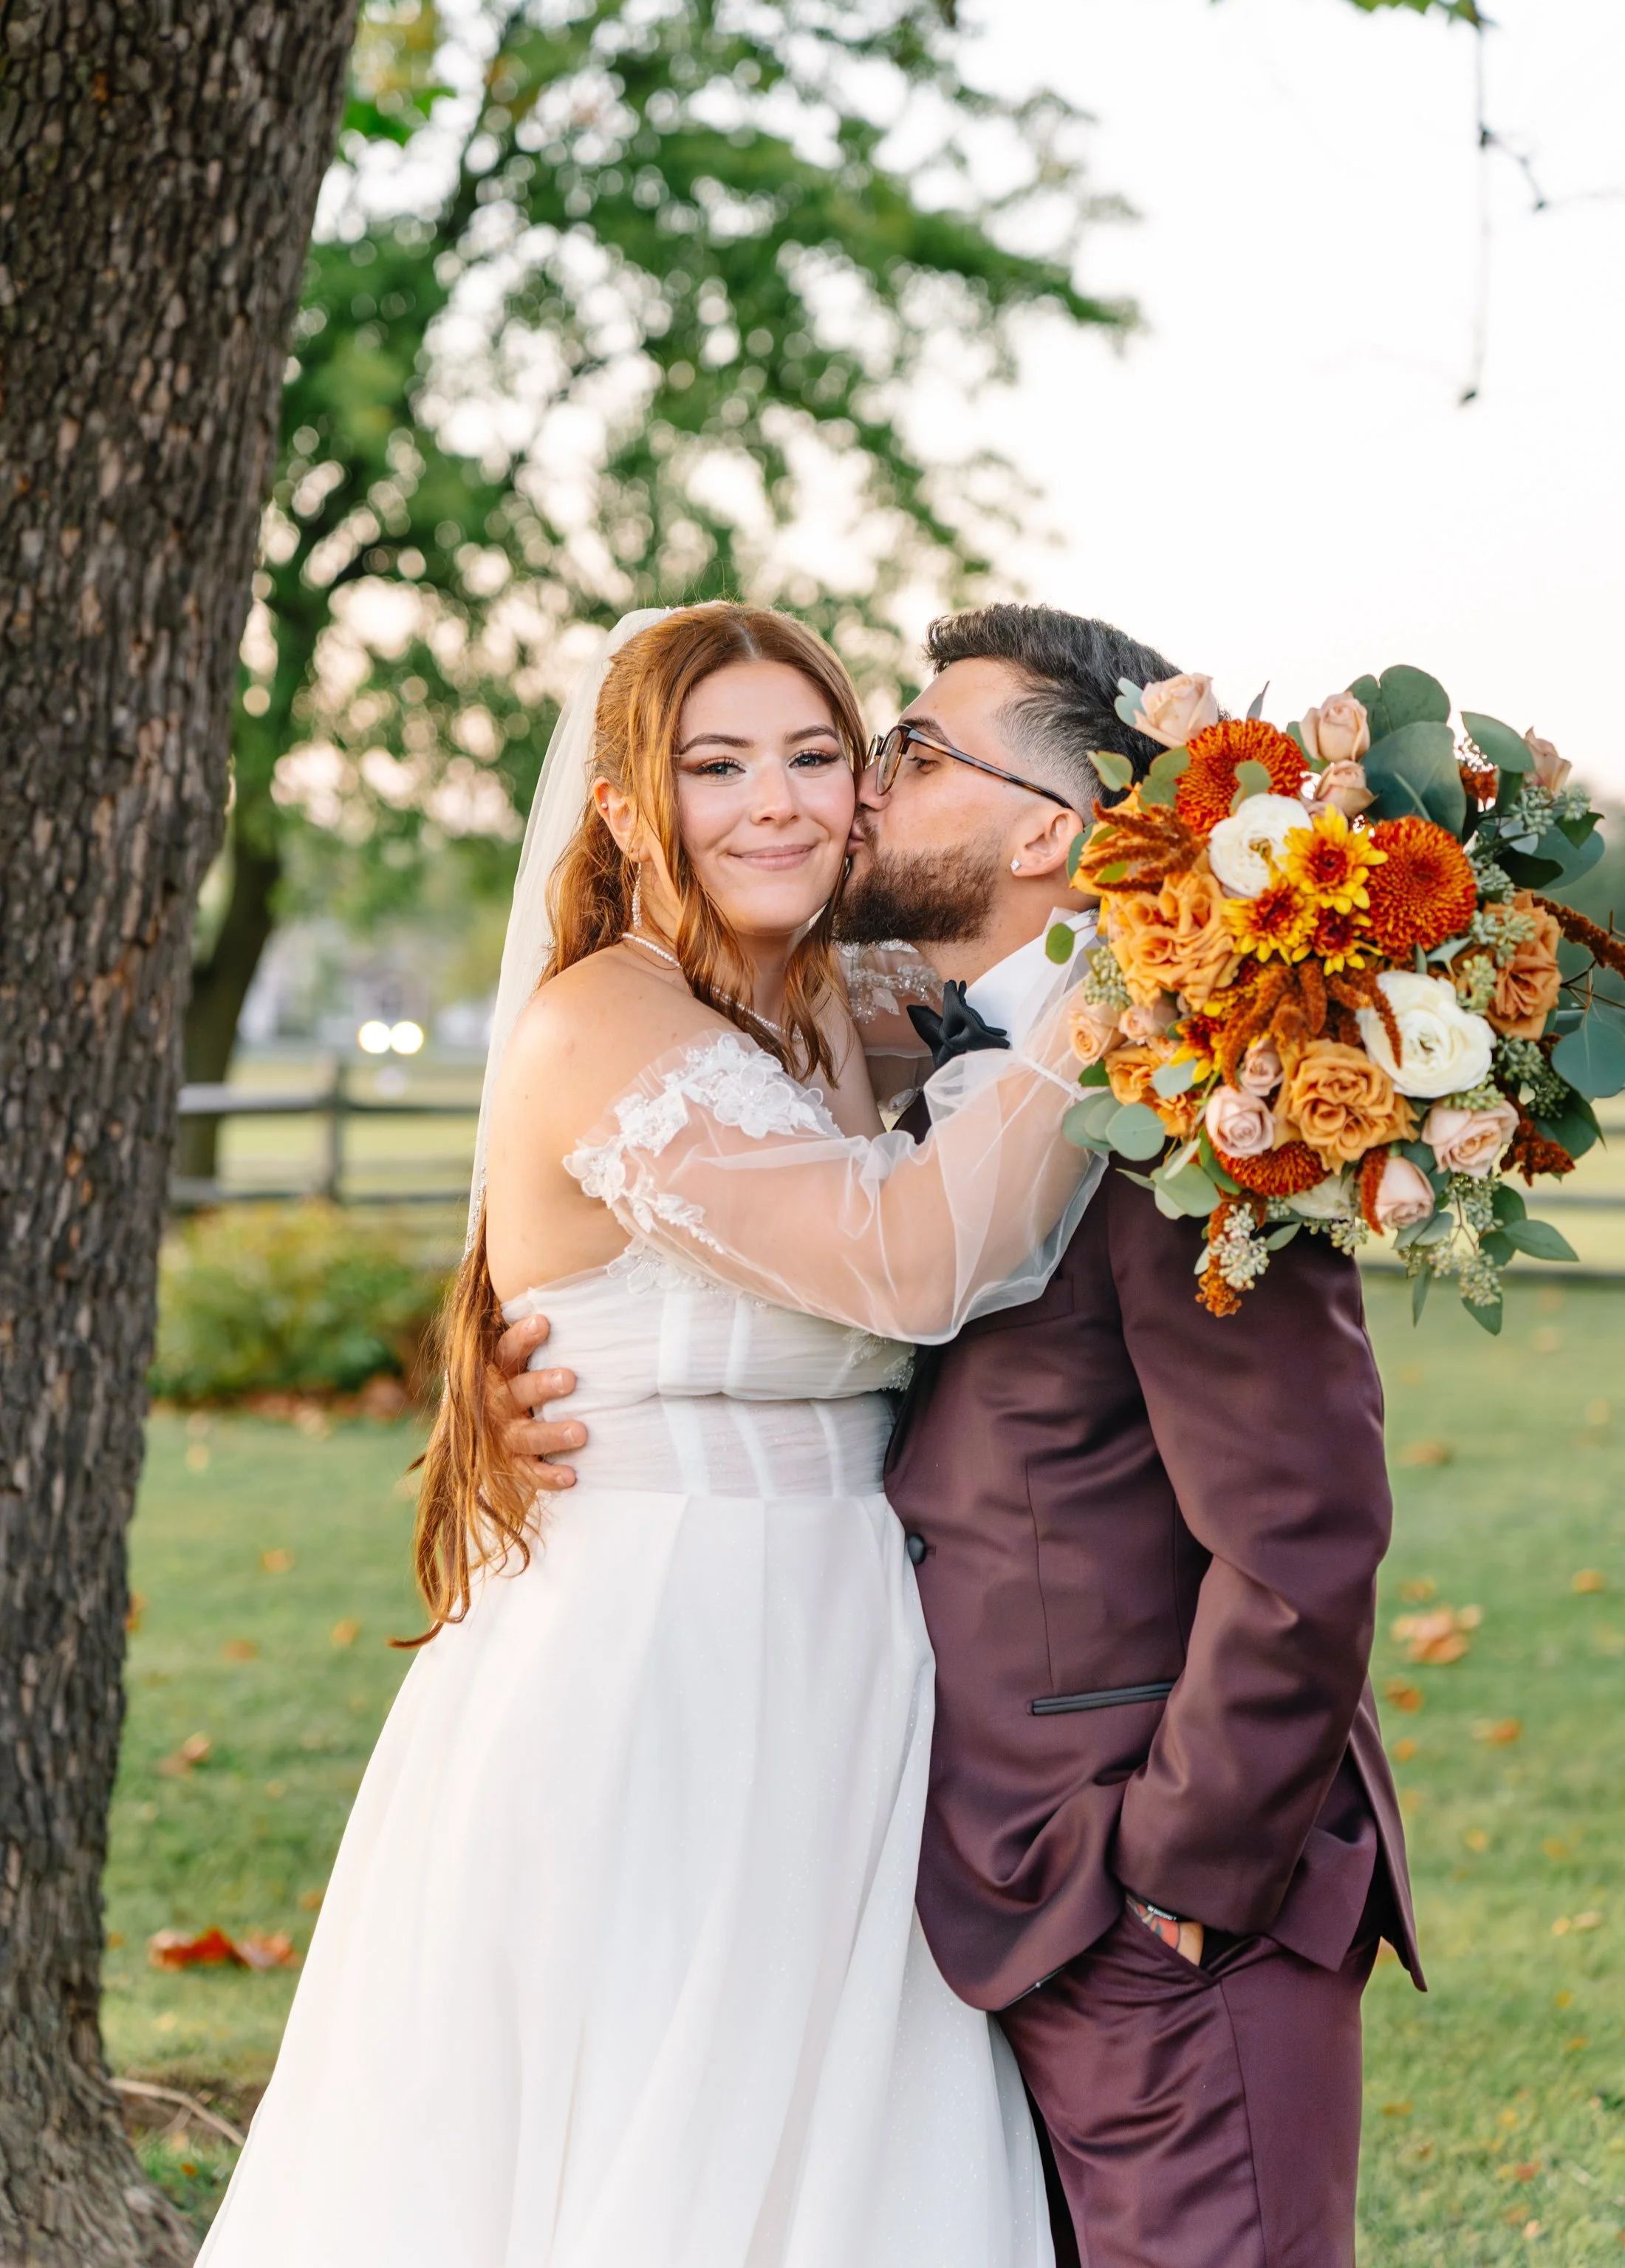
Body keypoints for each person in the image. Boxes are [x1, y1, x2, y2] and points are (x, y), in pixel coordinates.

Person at [504, 603, 1421, 2268]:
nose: (849, 794)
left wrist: (1181, 1869)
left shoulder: (1194, 1097)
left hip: (1146, 1885)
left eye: (901, 755)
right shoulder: (898, 1042)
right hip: (918, 1836)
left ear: (1044, 833)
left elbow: (1300, 1529)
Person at [197, 601, 1104, 2268]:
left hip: (848, 1640)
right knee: (640, 2120)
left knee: (829, 2130)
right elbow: (907, 1256)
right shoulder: (600, 1021)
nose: (774, 803)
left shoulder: (862, 999)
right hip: (646, 1651)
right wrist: (1132, 996)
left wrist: (1210, 917)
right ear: (626, 811)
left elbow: (1023, 907)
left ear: (862, 788)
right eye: (715, 766)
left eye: (815, 756)